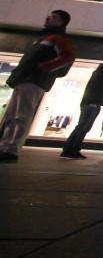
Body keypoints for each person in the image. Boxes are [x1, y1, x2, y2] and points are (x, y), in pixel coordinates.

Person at [0, 11, 75, 164]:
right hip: (26, 79)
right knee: (12, 116)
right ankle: (5, 148)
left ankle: (11, 150)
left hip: (33, 80)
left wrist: (42, 68)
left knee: (21, 116)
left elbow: (67, 57)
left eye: (53, 17)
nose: (48, 18)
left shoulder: (57, 39)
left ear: (61, 22)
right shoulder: (46, 38)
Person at [60, 58, 103, 159]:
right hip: (91, 104)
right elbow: (94, 88)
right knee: (82, 127)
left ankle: (73, 149)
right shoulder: (101, 74)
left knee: (84, 128)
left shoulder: (102, 74)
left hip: (92, 104)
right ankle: (68, 149)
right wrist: (93, 102)